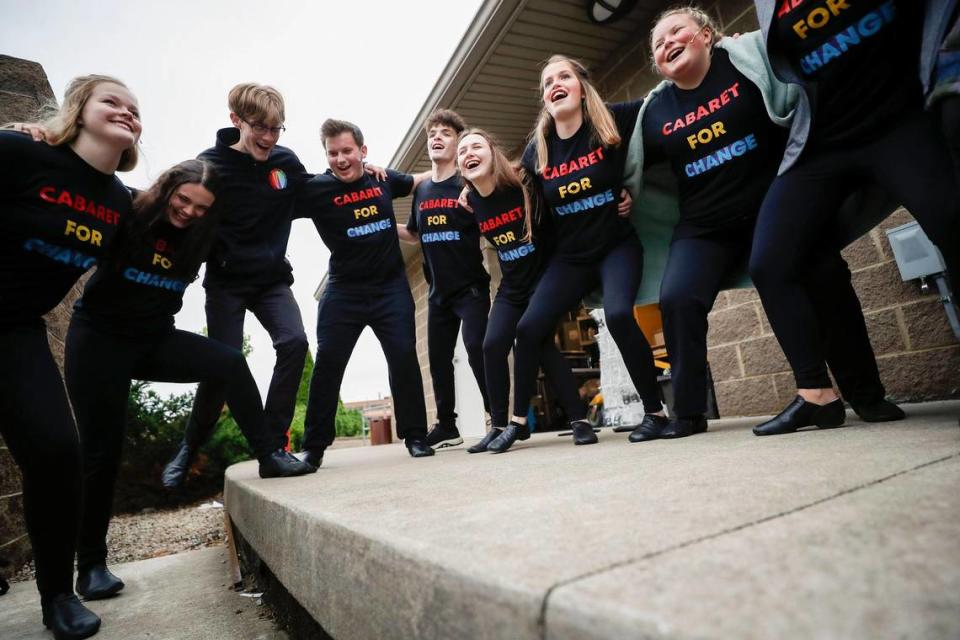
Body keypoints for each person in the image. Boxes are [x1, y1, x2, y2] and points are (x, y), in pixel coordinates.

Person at [621, 7, 903, 442]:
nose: (666, 44)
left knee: (824, 275)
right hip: (704, 227)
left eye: (677, 31)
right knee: (677, 298)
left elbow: (794, 52)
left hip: (777, 204)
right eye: (658, 44)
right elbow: (610, 140)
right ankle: (689, 413)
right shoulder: (654, 110)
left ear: (707, 35)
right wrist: (622, 189)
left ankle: (864, 395)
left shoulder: (748, 59)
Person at [63, 160, 313, 602]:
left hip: (154, 338)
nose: (189, 212)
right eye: (183, 201)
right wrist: (39, 135)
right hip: (100, 340)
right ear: (167, 191)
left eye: (201, 207)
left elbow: (257, 221)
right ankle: (91, 566)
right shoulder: (129, 207)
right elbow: (82, 174)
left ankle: (269, 454)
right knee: (101, 452)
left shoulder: (205, 234)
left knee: (228, 362)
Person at [749, 0, 960, 435]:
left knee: (952, 223)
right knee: (770, 263)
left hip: (899, 120)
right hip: (823, 141)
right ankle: (816, 396)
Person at [1, 74, 140, 640]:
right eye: (113, 101)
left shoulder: (121, 205)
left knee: (58, 450)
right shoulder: (21, 151)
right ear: (78, 109)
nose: (127, 113)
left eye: (135, 109)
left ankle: (58, 594)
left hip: (14, 328)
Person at [507, 55, 667, 448]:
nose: (555, 85)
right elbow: (502, 178)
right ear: (544, 98)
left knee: (618, 315)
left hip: (616, 247)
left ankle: (656, 412)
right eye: (547, 83)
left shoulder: (610, 121)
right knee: (528, 328)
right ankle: (516, 421)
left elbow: (662, 101)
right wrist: (464, 188)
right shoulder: (538, 149)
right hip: (572, 257)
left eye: (564, 77)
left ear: (581, 87)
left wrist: (723, 56)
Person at [161, 83, 311, 487]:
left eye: (276, 129)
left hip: (271, 280)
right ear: (236, 121)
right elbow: (172, 201)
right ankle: (189, 447)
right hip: (226, 283)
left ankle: (274, 447)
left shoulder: (285, 162)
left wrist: (383, 179)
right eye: (259, 127)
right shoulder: (210, 165)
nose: (268, 137)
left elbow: (320, 192)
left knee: (294, 342)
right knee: (220, 367)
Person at [297, 119, 434, 464]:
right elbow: (275, 199)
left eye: (347, 151)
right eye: (333, 153)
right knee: (328, 361)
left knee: (403, 356)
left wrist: (456, 167)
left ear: (363, 151)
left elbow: (420, 179)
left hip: (390, 289)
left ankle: (416, 436)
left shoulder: (381, 178)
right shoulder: (317, 189)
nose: (341, 159)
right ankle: (313, 447)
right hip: (344, 291)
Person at [457, 129, 594, 452]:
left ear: (493, 153)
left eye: (477, 146)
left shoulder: (522, 183)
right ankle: (500, 424)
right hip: (512, 284)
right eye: (462, 151)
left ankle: (578, 420)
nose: (469, 153)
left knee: (536, 340)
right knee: (490, 346)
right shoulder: (472, 200)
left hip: (547, 276)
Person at [397, 109, 492, 449]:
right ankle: (447, 425)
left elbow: (492, 221)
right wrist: (378, 225)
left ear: (458, 141)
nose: (437, 137)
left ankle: (496, 419)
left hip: (470, 287)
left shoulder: (467, 185)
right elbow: (412, 232)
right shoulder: (421, 191)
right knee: (438, 359)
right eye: (432, 133)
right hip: (438, 293)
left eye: (445, 133)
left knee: (477, 348)